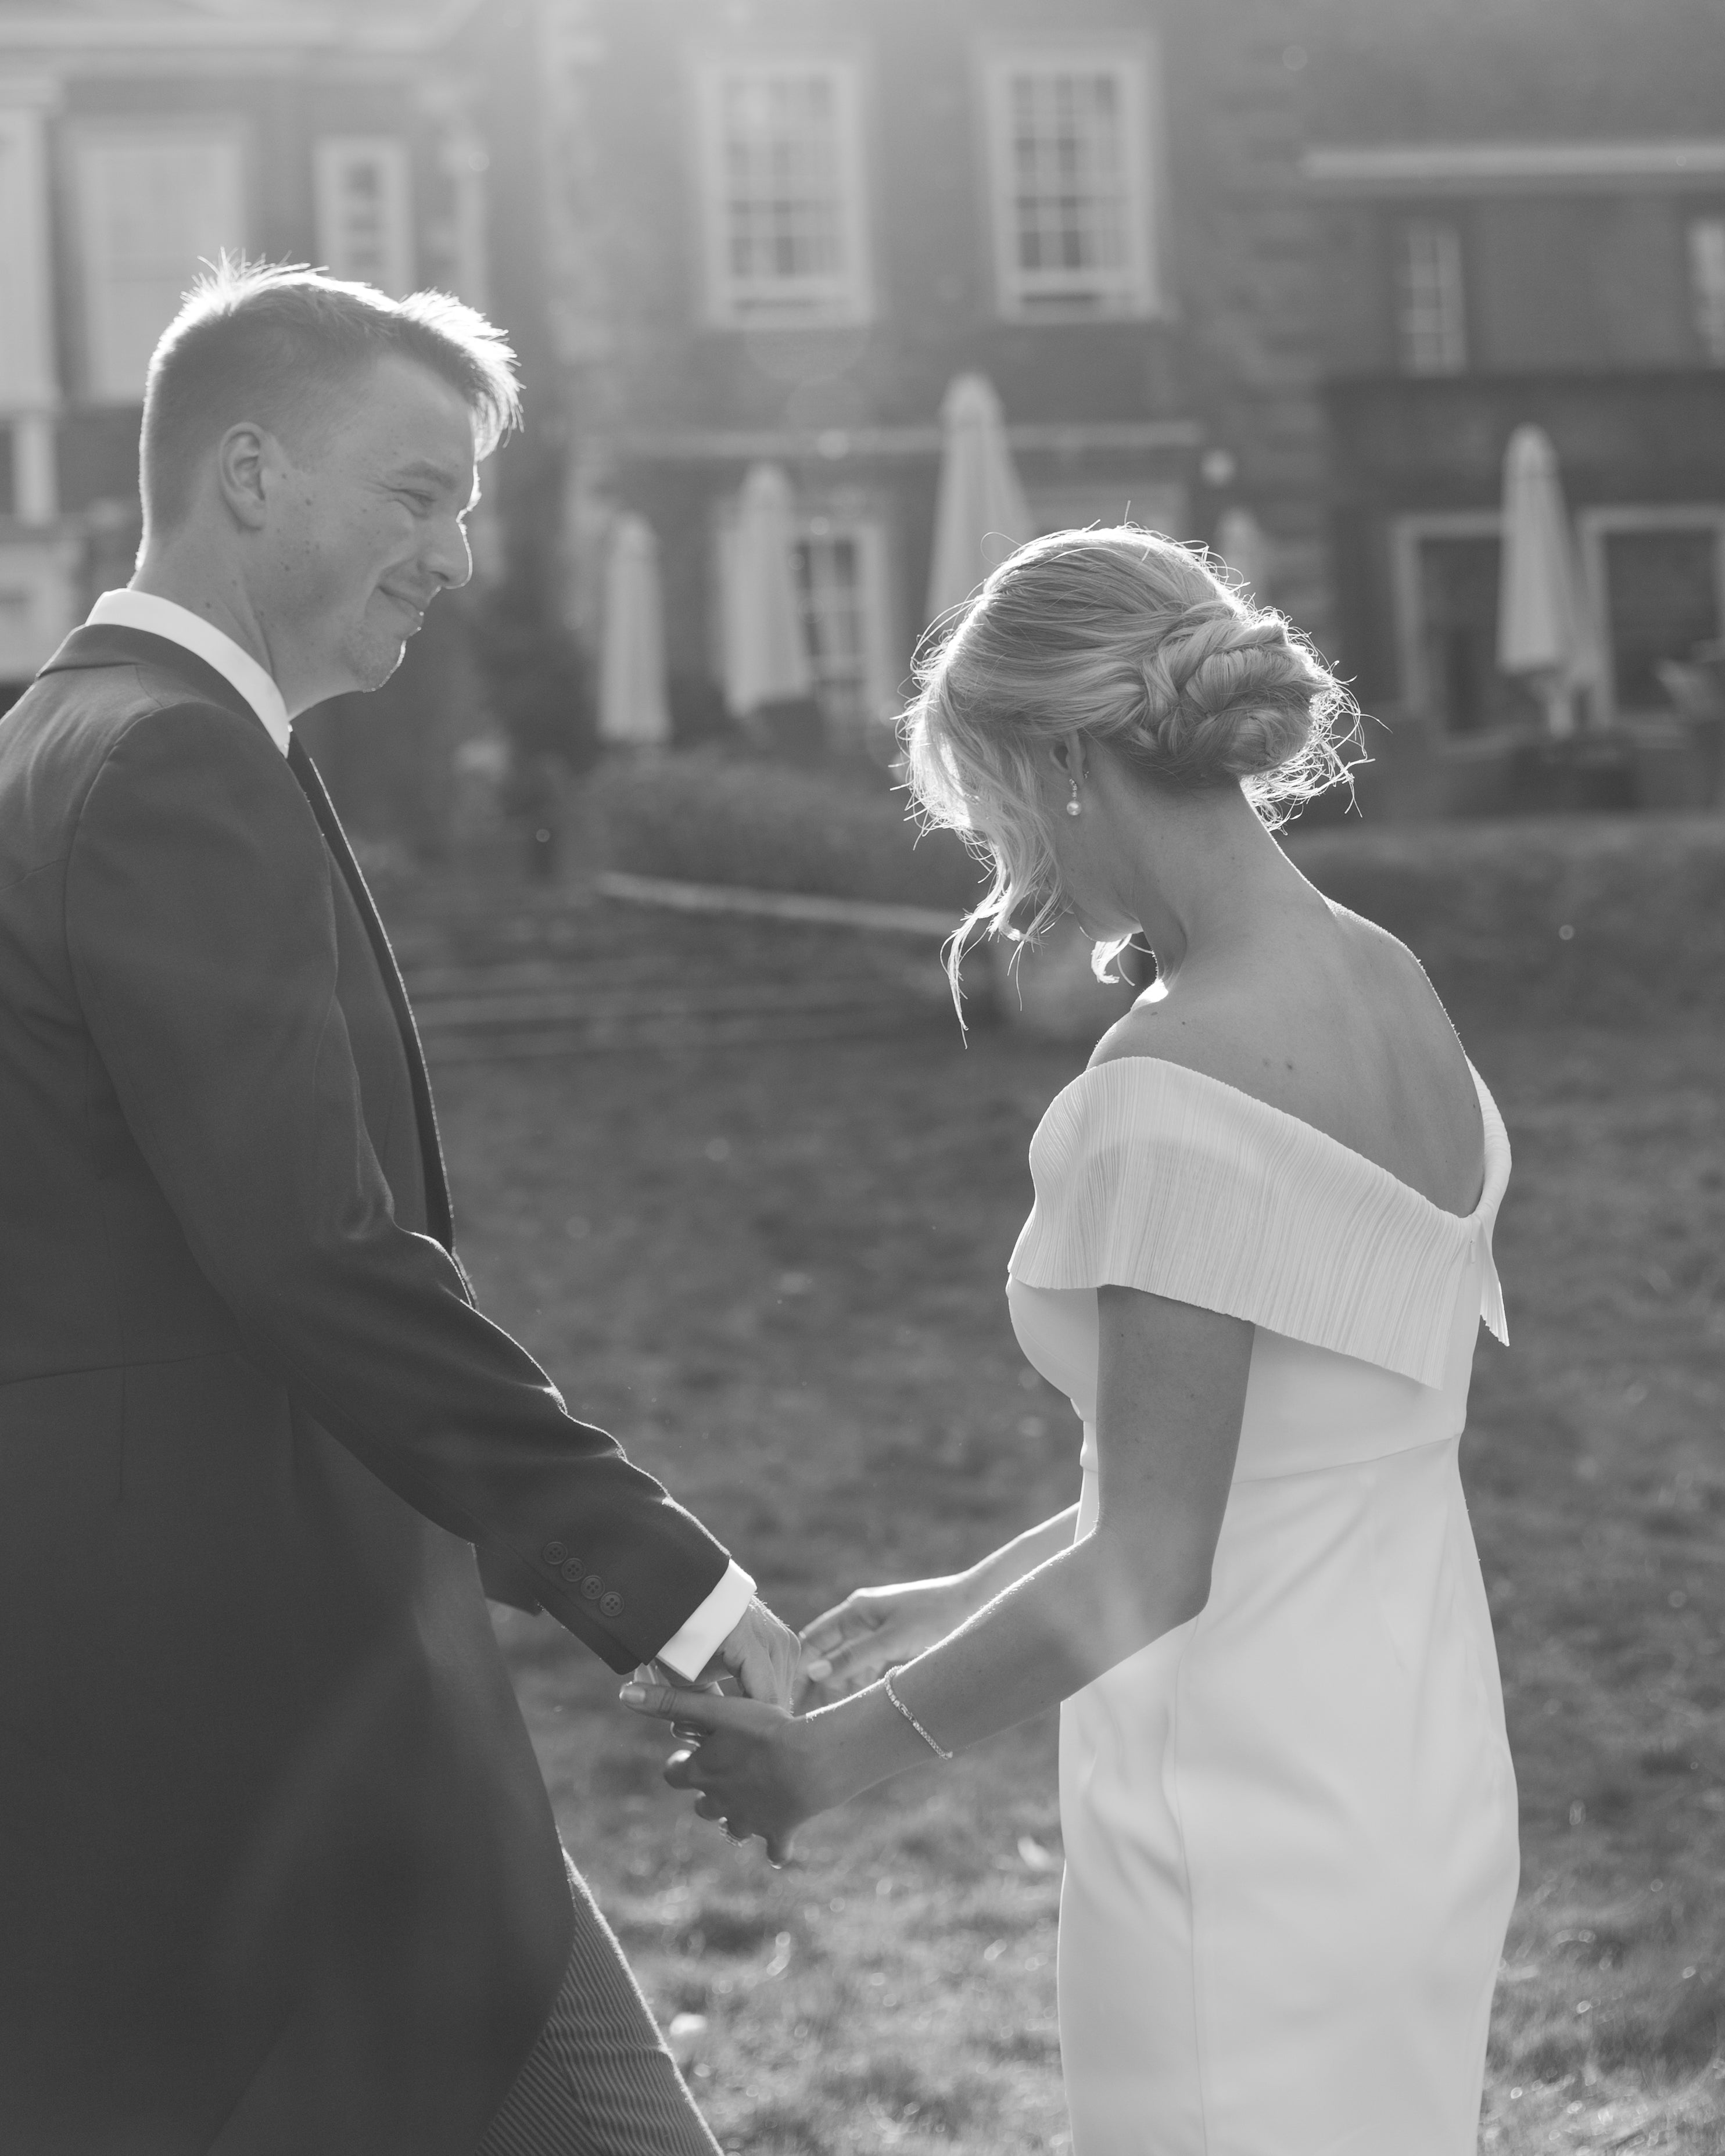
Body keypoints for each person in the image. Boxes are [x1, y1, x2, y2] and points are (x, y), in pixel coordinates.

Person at [0, 261, 796, 2156]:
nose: (454, 557)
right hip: (249, 1690)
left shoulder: (50, 738)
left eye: (469, 505)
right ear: (251, 473)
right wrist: (666, 1586)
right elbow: (312, 1253)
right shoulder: (177, 764)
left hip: (156, 1681)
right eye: (417, 493)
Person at [623, 529, 1521, 2155]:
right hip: (1418, 1774)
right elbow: (1290, 1451)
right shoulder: (1388, 983)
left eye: (988, 811)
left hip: (1234, 1825)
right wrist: (961, 1595)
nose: (1004, 872)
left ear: (1061, 759)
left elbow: (1153, 1566)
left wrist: (828, 1764)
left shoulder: (1171, 1088)